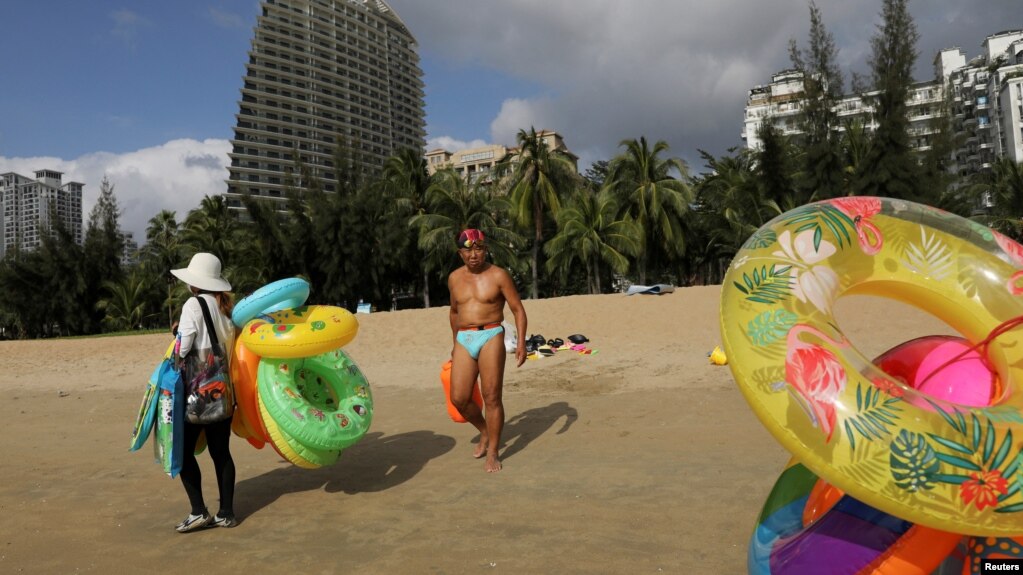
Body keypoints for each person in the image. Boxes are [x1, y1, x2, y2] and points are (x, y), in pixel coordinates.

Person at [169, 252, 239, 532]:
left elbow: (183, 349)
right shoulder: (225, 309)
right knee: (221, 452)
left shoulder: (193, 304)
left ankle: (199, 511)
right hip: (223, 391)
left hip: (198, 395)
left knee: (183, 453)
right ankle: (227, 513)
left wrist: (175, 336)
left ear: (195, 283)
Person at [447, 229, 527, 472]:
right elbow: (453, 312)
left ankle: (493, 450)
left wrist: (521, 343)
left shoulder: (499, 275)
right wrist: (454, 343)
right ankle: (484, 430)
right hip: (464, 337)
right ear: (460, 253)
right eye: (468, 250)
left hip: (492, 333)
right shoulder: (454, 278)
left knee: (491, 396)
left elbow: (518, 310)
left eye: (479, 249)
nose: (474, 254)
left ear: (486, 250)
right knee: (459, 398)